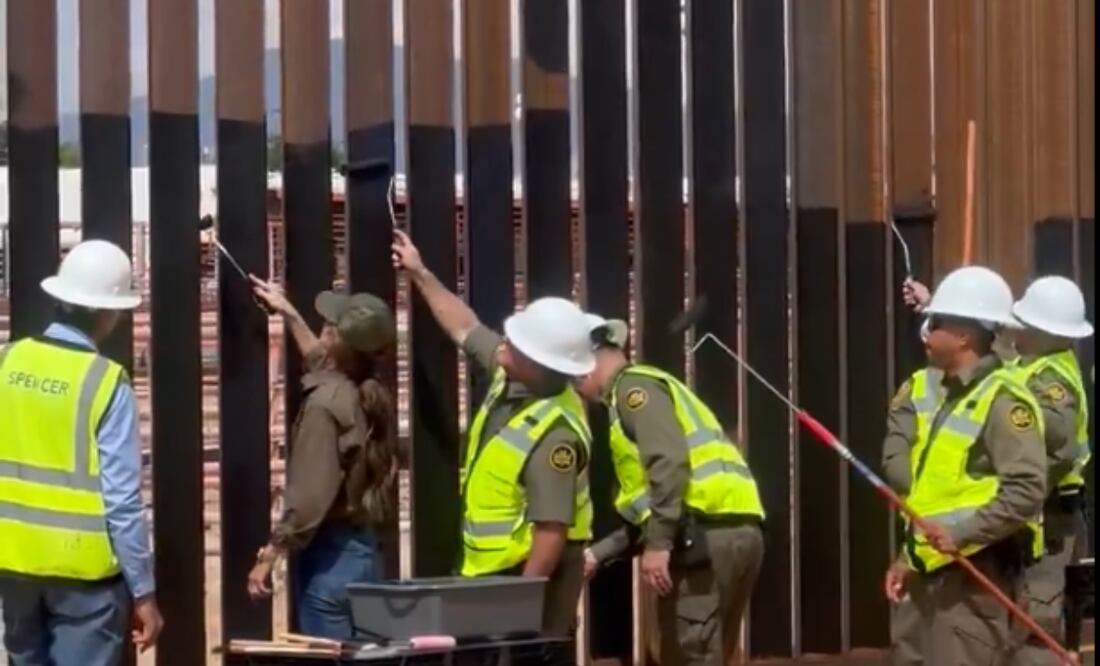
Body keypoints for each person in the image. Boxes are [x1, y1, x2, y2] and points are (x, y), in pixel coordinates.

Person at [390, 229, 594, 640]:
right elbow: (465, 326)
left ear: (538, 364)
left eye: (516, 343)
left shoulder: (554, 435)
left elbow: (551, 532)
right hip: (494, 572)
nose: (504, 342)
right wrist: (419, 272)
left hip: (526, 577)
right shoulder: (513, 375)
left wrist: (518, 606)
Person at [0, 240, 163, 665]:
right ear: (109, 313)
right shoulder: (106, 382)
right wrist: (143, 591)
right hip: (84, 578)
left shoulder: (8, 361)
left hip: (13, 562)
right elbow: (123, 501)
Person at [577, 314, 765, 666]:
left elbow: (669, 462)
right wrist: (598, 554)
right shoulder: (659, 389)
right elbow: (656, 505)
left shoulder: (633, 392)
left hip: (702, 542)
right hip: (736, 532)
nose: (576, 388)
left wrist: (659, 545)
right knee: (711, 654)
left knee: (686, 654)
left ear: (586, 364)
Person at [882, 266, 1048, 665]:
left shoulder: (1003, 401)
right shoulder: (950, 396)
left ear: (963, 335)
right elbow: (935, 493)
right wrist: (910, 557)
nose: (927, 331)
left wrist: (961, 534)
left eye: (935, 322)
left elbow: (1026, 488)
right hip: (933, 569)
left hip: (974, 576)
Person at [247, 277, 400, 640]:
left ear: (333, 338)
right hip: (362, 553)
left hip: (329, 560)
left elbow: (309, 499)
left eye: (327, 326)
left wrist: (269, 555)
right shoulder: (368, 393)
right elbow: (322, 361)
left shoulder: (324, 407)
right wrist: (287, 312)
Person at [1007, 276, 1093, 665]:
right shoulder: (1034, 364)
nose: (1016, 326)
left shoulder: (1054, 384)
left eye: (1025, 322)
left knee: (1035, 630)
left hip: (1050, 524)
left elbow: (1057, 449)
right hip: (1037, 520)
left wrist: (1006, 485)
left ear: (1044, 331)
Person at [881, 317, 941, 666]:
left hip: (932, 523)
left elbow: (895, 461)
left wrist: (915, 496)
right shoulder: (1001, 382)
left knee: (914, 637)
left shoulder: (916, 386)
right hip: (936, 527)